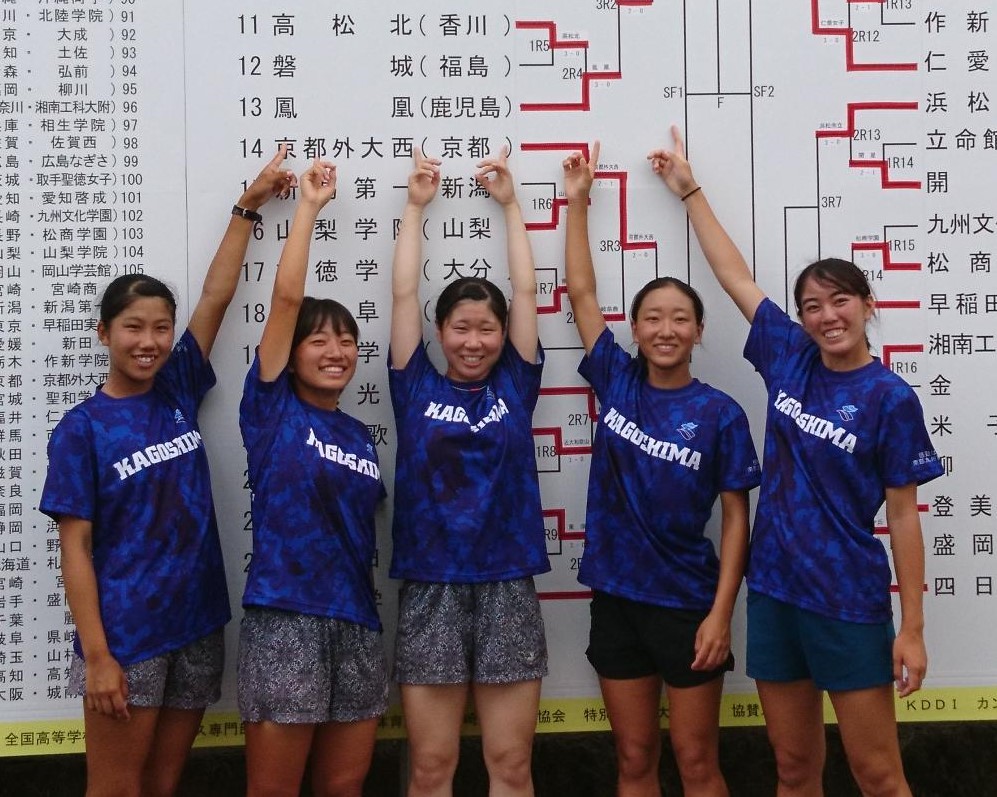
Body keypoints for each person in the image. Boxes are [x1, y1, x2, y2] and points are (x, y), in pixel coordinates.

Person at [649, 126, 944, 796]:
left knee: (878, 774)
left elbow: (903, 517)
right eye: (812, 305)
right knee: (792, 769)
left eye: (840, 300)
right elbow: (735, 277)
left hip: (846, 599)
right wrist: (690, 191)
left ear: (867, 306)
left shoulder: (889, 398)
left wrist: (912, 628)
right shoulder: (789, 356)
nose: (826, 315)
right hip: (775, 592)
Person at [39, 148, 294, 797]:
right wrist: (99, 655)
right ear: (104, 333)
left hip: (197, 623)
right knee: (116, 788)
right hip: (129, 637)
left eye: (160, 327)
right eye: (133, 328)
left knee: (162, 784)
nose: (149, 341)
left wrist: (249, 205)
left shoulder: (177, 387)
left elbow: (216, 296)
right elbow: (75, 548)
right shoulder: (83, 428)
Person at [562, 143, 760, 797]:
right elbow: (581, 292)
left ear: (698, 331)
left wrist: (720, 613)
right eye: (652, 318)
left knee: (697, 762)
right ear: (635, 328)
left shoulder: (720, 413)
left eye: (680, 318)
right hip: (616, 598)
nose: (665, 329)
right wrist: (577, 201)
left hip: (687, 604)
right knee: (633, 757)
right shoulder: (615, 379)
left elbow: (736, 518)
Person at [389, 146, 550, 797]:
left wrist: (511, 205)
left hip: (507, 582)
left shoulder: (516, 384)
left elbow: (528, 291)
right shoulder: (413, 385)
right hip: (431, 585)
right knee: (431, 766)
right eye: (461, 328)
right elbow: (403, 291)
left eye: (487, 329)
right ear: (439, 330)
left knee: (510, 763)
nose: (474, 341)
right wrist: (415, 207)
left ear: (503, 334)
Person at [236, 159, 388, 797]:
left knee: (344, 787)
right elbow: (286, 301)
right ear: (291, 354)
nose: (336, 352)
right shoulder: (271, 410)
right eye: (319, 341)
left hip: (356, 621)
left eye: (347, 340)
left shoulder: (359, 435)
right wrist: (308, 208)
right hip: (286, 619)